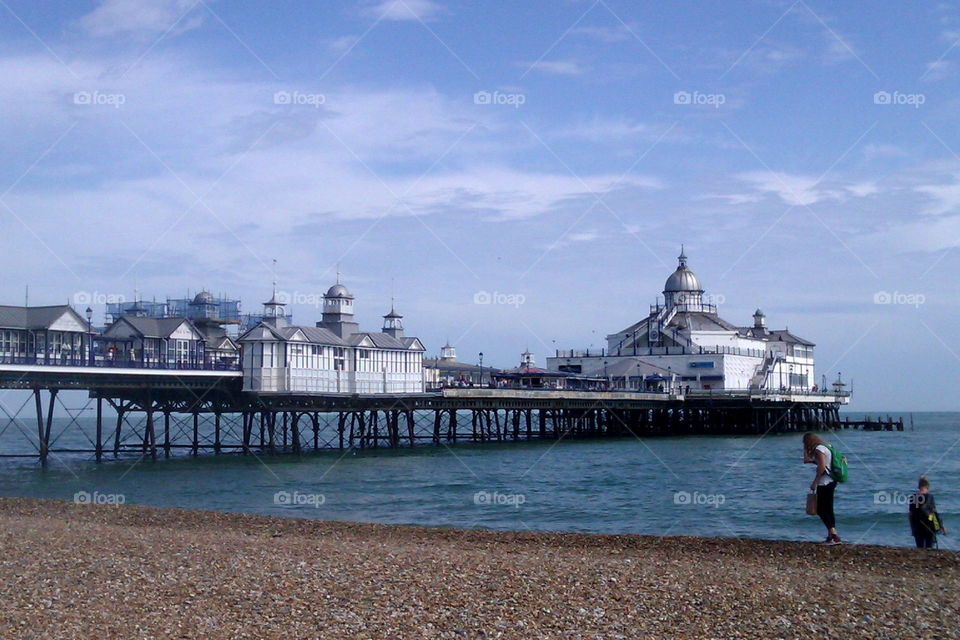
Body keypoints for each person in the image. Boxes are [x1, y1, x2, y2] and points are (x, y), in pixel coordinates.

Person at [803, 433, 841, 544]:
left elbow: (822, 467)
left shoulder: (819, 449)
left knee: (820, 509)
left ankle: (833, 534)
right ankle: (831, 536)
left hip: (824, 482)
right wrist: (808, 456)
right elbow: (810, 461)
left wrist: (814, 482)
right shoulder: (827, 446)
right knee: (828, 508)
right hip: (832, 480)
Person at [909, 476, 947, 549]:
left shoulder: (913, 497)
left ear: (919, 487)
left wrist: (912, 528)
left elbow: (910, 514)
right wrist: (942, 526)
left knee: (919, 548)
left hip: (917, 526)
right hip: (929, 526)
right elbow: (934, 513)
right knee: (929, 548)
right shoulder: (930, 497)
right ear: (927, 487)